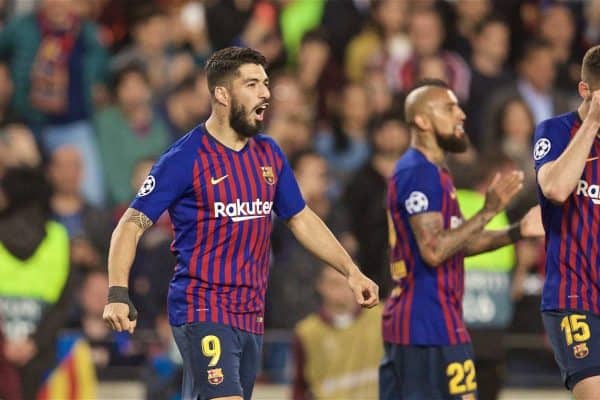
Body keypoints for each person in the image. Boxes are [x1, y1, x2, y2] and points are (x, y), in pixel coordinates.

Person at [102, 47, 379, 400]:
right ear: (221, 94)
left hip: (251, 313)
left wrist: (351, 272)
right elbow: (130, 224)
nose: (265, 93)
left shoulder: (269, 153)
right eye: (252, 84)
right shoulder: (183, 158)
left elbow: (300, 217)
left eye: (266, 83)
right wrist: (117, 293)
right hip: (202, 306)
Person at [379, 79, 543, 400]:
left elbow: (455, 244)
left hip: (439, 324)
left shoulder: (436, 173)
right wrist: (488, 211)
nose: (461, 114)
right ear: (422, 121)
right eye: (449, 107)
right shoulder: (417, 173)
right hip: (424, 329)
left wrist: (517, 231)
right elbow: (434, 249)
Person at [534, 44, 600, 399]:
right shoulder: (555, 131)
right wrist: (592, 123)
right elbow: (556, 188)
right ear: (585, 91)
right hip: (574, 299)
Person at [292, 264, 384, 400]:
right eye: (333, 283)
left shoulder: (381, 317)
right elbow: (299, 386)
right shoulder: (306, 332)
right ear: (320, 285)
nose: (341, 289)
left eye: (346, 283)